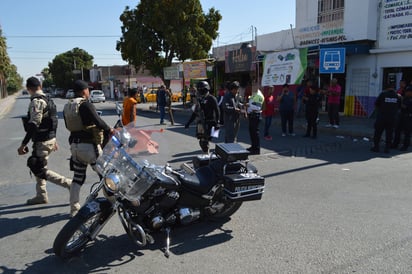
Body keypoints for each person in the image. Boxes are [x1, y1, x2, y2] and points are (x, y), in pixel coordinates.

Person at [63, 80, 114, 216]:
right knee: (105, 175)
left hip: (75, 146)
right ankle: (112, 201)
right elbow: (98, 121)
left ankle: (74, 208)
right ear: (84, 91)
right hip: (90, 147)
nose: (89, 92)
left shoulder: (68, 106)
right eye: (88, 90)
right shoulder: (85, 105)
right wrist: (110, 129)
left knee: (78, 177)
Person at [18, 77, 72, 205]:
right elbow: (53, 122)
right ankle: (41, 195)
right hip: (48, 139)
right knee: (39, 165)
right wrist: (54, 139)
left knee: (38, 167)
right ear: (40, 85)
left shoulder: (37, 102)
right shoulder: (48, 99)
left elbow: (34, 125)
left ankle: (69, 184)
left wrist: (23, 144)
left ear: (28, 88)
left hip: (43, 141)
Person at [185, 81, 220, 154]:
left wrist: (217, 123)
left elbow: (217, 111)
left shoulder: (212, 98)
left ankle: (206, 155)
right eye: (199, 89)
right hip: (201, 123)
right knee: (202, 141)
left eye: (202, 89)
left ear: (207, 89)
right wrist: (188, 123)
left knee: (205, 141)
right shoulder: (200, 99)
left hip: (210, 123)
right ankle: (206, 154)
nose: (200, 91)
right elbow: (195, 112)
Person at [371, 82, 401, 153]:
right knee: (389, 133)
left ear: (387, 88)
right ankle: (387, 148)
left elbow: (376, 104)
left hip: (382, 117)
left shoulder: (383, 94)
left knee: (378, 133)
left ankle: (376, 147)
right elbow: (399, 107)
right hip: (392, 118)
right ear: (394, 88)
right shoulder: (398, 96)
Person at [392, 85, 412, 151]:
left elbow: (405, 107)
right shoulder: (405, 98)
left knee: (407, 133)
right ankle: (395, 144)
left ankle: (405, 146)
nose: (407, 93)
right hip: (401, 116)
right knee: (397, 131)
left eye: (408, 92)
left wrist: (402, 103)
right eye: (406, 91)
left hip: (408, 117)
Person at [246, 88, 264, 155]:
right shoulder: (254, 94)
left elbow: (258, 107)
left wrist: (249, 105)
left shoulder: (259, 95)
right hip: (252, 115)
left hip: (255, 115)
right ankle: (253, 146)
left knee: (255, 133)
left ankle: (256, 149)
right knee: (252, 132)